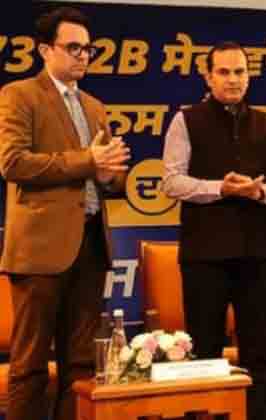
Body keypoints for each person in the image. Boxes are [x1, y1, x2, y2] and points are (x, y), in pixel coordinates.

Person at [0, 7, 130, 420]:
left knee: (82, 365)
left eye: (88, 49)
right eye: (73, 48)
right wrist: (88, 161)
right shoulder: (19, 95)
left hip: (90, 245)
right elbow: (13, 163)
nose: (83, 56)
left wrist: (110, 175)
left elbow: (107, 176)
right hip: (40, 250)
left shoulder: (95, 106)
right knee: (30, 366)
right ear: (44, 50)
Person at [162, 41, 266, 420]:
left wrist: (260, 192)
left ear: (249, 77)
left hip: (258, 254)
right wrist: (219, 188)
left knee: (259, 356)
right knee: (205, 355)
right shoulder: (185, 120)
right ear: (208, 77)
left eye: (240, 72)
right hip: (205, 256)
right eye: (223, 72)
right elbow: (171, 181)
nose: (233, 79)